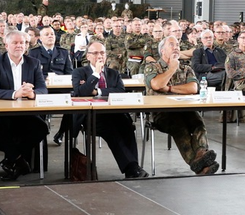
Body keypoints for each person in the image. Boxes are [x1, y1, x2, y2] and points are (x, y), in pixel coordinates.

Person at [143, 36, 219, 175]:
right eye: (172, 45)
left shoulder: (186, 68)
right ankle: (199, 163)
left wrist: (169, 88)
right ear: (162, 50)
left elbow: (193, 88)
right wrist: (172, 68)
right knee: (180, 127)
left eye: (177, 45)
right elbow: (157, 85)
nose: (176, 48)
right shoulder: (152, 67)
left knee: (198, 123)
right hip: (162, 114)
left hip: (185, 110)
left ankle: (201, 153)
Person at [72, 41, 147, 179]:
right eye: (95, 53)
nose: (99, 56)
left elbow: (120, 91)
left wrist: (97, 91)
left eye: (102, 53)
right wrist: (96, 74)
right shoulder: (79, 72)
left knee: (127, 126)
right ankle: (132, 168)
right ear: (88, 56)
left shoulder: (113, 73)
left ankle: (132, 168)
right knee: (110, 130)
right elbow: (81, 93)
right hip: (91, 115)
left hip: (113, 112)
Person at [0, 31, 49, 181]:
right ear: (6, 46)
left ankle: (11, 160)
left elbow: (43, 89)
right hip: (0, 112)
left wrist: (32, 94)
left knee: (41, 128)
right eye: (15, 43)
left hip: (24, 112)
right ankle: (19, 161)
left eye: (22, 43)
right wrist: (15, 93)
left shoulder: (34, 63)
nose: (19, 46)